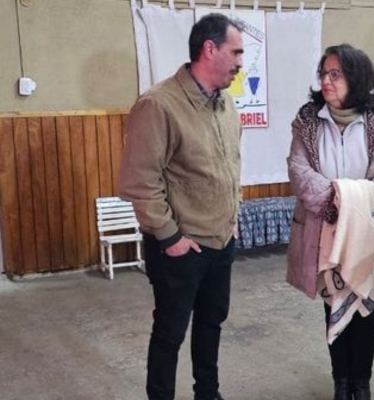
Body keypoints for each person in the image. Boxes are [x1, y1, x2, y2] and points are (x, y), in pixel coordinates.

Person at [119, 13, 244, 400]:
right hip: (180, 246)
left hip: (221, 241)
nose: (241, 62)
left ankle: (208, 393)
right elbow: (139, 181)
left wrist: (232, 219)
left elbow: (230, 166)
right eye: (236, 52)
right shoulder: (158, 105)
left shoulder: (226, 104)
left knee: (211, 324)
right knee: (170, 333)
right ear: (210, 49)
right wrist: (170, 237)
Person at [286, 44, 374, 400]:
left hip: (371, 231)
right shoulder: (308, 119)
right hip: (326, 232)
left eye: (335, 74)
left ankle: (361, 382)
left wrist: (361, 204)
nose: (326, 81)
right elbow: (299, 172)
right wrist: (339, 203)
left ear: (356, 78)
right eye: (324, 73)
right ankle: (341, 382)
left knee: (367, 308)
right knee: (333, 304)